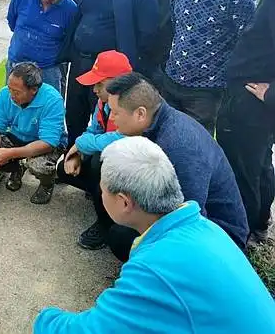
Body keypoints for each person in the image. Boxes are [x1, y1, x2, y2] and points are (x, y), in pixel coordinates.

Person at [34, 137, 275, 334]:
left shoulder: (154, 268)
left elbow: (88, 331)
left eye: (103, 189)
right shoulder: (205, 229)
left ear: (124, 202)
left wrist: (44, 318)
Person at [96, 73, 248, 260]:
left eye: (116, 112)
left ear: (140, 114)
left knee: (122, 236)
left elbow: (190, 217)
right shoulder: (158, 123)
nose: (112, 118)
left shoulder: (179, 147)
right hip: (194, 219)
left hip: (221, 242)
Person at [62, 0, 159, 145]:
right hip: (82, 62)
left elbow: (148, 35)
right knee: (74, 114)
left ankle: (101, 165)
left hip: (110, 73)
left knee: (107, 118)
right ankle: (72, 157)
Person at [160, 0, 256, 133]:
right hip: (172, 79)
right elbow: (178, 26)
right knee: (165, 139)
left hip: (207, 91)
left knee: (194, 145)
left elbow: (247, 44)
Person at [218, 0, 275, 245]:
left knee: (243, 171)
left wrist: (271, 94)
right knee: (257, 165)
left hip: (253, 103)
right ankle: (257, 224)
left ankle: (238, 239)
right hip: (248, 99)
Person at [56, 50, 132, 249]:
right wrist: (77, 155)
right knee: (63, 169)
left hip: (130, 171)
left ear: (118, 82)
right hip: (112, 163)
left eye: (99, 83)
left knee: (100, 160)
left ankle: (106, 222)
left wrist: (80, 145)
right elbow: (93, 129)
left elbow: (121, 139)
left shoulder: (132, 105)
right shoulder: (103, 102)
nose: (94, 89)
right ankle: (104, 199)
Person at [0, 62, 67, 204]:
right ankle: (17, 168)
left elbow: (48, 143)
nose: (11, 95)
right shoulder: (5, 94)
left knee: (39, 166)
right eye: (10, 89)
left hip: (43, 143)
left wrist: (10, 154)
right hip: (18, 137)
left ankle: (47, 184)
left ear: (33, 90)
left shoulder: (52, 100)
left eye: (16, 92)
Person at [7, 0, 78, 94]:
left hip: (47, 71)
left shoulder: (71, 10)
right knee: (13, 108)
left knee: (48, 110)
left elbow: (67, 41)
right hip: (16, 65)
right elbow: (13, 23)